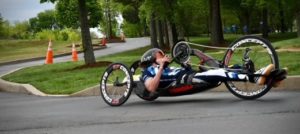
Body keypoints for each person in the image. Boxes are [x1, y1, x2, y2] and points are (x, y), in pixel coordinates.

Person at [139, 48, 284, 94]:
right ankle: (255, 79)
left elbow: (181, 72)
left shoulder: (166, 67)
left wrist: (187, 66)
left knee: (228, 68)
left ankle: (269, 77)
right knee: (220, 73)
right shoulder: (148, 72)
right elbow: (151, 87)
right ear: (152, 59)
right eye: (160, 55)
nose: (165, 56)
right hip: (186, 81)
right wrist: (160, 68)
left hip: (191, 75)